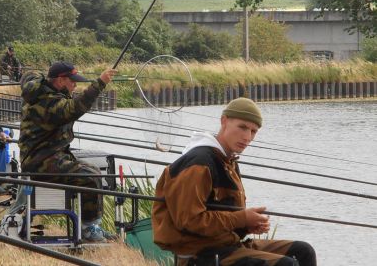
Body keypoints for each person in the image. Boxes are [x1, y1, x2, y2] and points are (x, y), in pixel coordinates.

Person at [152, 98, 317, 266]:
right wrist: (242, 219)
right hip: (200, 255)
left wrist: (247, 226)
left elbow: (224, 219)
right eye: (242, 127)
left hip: (226, 245)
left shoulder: (227, 161)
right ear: (224, 121)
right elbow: (189, 221)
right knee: (285, 265)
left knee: (303, 252)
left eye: (253, 131)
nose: (247, 137)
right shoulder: (198, 162)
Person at [17, 61, 117, 241]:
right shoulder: (48, 103)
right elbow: (74, 109)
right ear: (61, 80)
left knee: (94, 171)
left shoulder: (44, 91)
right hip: (39, 162)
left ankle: (92, 225)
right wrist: (100, 83)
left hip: (47, 156)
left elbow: (29, 75)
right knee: (90, 177)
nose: (75, 84)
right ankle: (88, 228)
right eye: (73, 81)